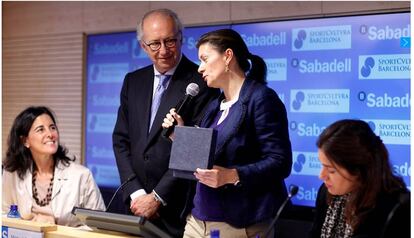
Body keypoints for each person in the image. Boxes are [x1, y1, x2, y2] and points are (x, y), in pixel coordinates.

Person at [162, 29, 292, 238]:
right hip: (197, 220)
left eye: (205, 59)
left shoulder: (261, 99)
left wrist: (232, 176)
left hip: (239, 224)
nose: (201, 68)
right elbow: (205, 157)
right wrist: (179, 136)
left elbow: (280, 162)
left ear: (228, 56)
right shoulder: (215, 105)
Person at [112, 8, 219, 237]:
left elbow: (194, 151)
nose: (163, 50)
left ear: (181, 38)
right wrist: (136, 193)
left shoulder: (203, 82)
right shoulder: (133, 81)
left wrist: (157, 197)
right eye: (155, 44)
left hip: (177, 211)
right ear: (143, 46)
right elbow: (121, 140)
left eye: (170, 41)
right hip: (135, 206)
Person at [2, 106, 105, 227]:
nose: (50, 134)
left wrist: (55, 227)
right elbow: (4, 214)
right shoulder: (12, 173)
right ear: (25, 141)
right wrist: (32, 225)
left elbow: (99, 226)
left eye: (52, 128)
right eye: (41, 130)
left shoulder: (82, 176)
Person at [309, 119, 410, 238]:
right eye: (322, 165)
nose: (321, 175)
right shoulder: (326, 192)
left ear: (358, 170)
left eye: (331, 170)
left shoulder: (396, 208)